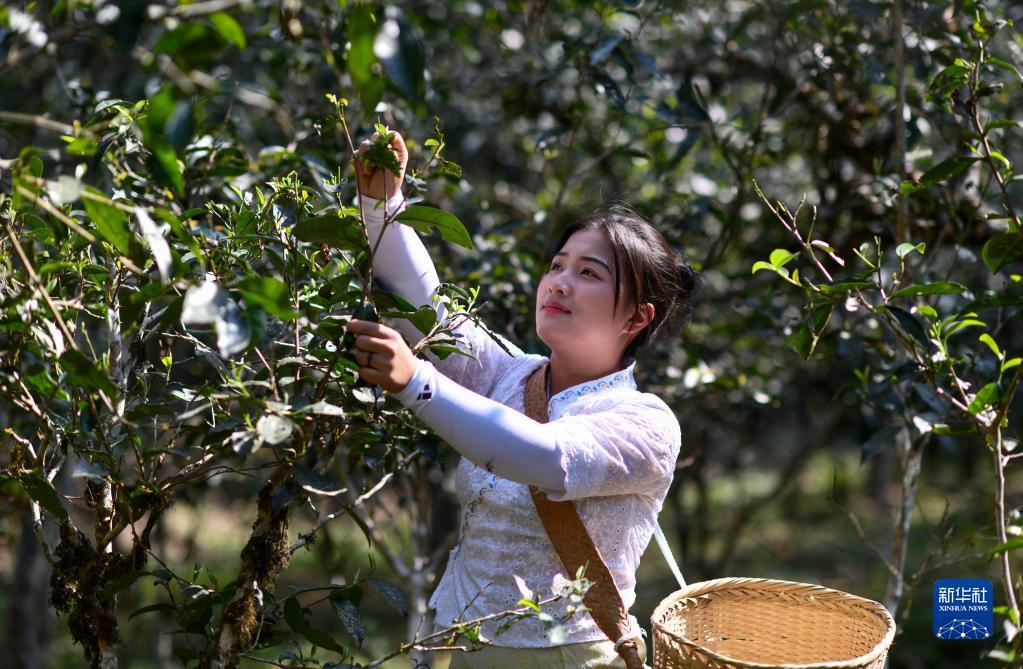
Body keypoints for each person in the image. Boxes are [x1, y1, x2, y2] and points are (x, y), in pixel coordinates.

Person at [346, 130, 698, 669]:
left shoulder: (645, 423)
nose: (559, 283)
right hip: (451, 643)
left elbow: (542, 457)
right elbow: (429, 310)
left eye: (588, 273)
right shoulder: (510, 375)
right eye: (557, 266)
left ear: (636, 317)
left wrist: (418, 382)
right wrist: (382, 205)